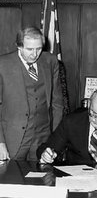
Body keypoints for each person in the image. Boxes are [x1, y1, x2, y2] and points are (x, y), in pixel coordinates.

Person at [0, 26, 64, 161]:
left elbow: (57, 103)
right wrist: (0, 142)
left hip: (43, 139)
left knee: (40, 178)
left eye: (39, 49)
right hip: (12, 139)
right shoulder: (3, 65)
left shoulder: (50, 61)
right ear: (19, 46)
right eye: (29, 49)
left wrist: (55, 139)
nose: (34, 54)